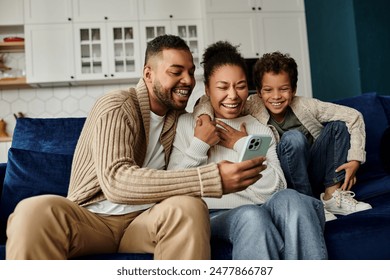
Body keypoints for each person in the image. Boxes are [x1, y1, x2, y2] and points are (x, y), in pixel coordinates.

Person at [5, 35, 266, 260]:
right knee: (32, 211)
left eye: (190, 71)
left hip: (145, 221)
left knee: (189, 207)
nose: (187, 80)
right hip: (92, 219)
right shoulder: (118, 105)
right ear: (148, 74)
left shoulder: (178, 117)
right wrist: (212, 178)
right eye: (176, 72)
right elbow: (116, 181)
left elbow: (210, 101)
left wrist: (208, 114)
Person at [168, 41, 327, 259]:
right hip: (211, 215)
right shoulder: (188, 124)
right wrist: (200, 144)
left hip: (263, 206)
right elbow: (173, 186)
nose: (233, 95)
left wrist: (242, 144)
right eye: (223, 87)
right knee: (251, 215)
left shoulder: (259, 126)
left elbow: (274, 188)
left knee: (292, 198)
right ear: (207, 90)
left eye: (240, 86)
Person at [194, 51, 371, 220]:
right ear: (259, 92)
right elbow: (205, 100)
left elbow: (353, 116)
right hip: (285, 175)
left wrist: (355, 159)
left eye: (284, 89)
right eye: (268, 90)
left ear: (293, 90)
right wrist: (204, 117)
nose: (276, 96)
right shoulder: (253, 105)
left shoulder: (307, 105)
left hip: (312, 169)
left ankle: (331, 197)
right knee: (294, 138)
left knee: (337, 126)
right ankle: (309, 204)